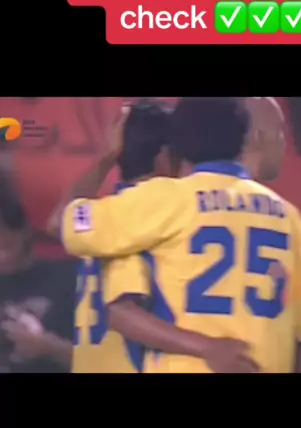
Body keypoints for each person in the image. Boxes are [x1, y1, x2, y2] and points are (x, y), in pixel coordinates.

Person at [57, 96, 301, 374]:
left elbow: (69, 221)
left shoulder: (160, 200)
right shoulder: (289, 217)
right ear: (244, 136)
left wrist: (107, 158)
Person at [48, 100, 258, 374]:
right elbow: (122, 314)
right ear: (165, 155)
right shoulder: (143, 222)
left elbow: (59, 222)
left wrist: (106, 157)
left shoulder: (103, 217)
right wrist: (208, 347)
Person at [0, 188, 76, 374]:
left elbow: (103, 360)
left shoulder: (68, 277)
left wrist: (52, 348)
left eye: (9, 235)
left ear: (26, 230)